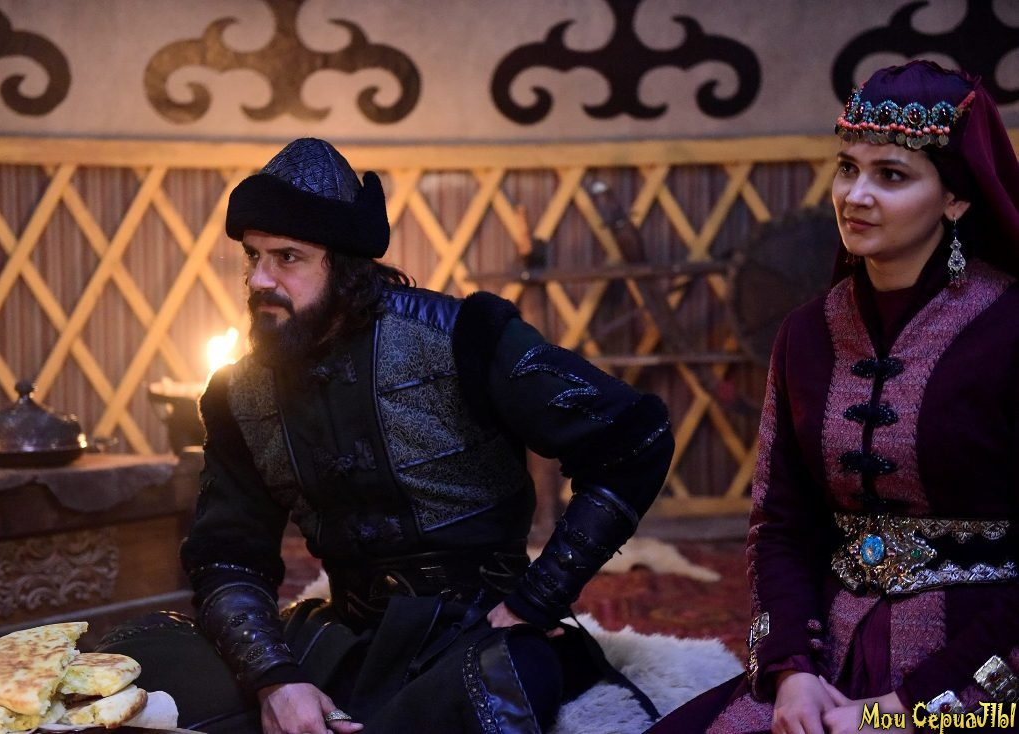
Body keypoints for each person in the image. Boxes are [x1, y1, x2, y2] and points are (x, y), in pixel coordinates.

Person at [97, 137, 674, 734]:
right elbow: (227, 556)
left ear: (346, 266)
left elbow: (635, 439)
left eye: (288, 257)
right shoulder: (237, 394)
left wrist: (539, 597)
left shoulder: (463, 337)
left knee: (495, 691)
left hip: (473, 636)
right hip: (343, 636)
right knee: (137, 654)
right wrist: (276, 679)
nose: (261, 279)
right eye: (253, 256)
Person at [650, 59, 1019, 734]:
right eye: (848, 168)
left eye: (892, 175)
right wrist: (791, 673)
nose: (856, 195)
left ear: (955, 199)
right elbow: (780, 525)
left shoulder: (1010, 327)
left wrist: (906, 711)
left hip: (983, 666)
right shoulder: (807, 333)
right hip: (829, 654)